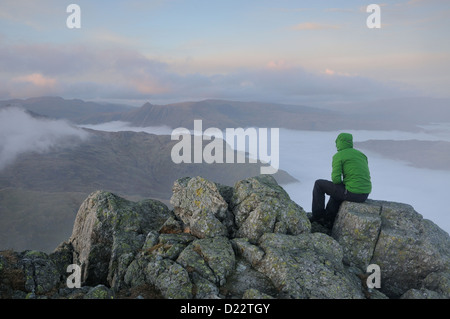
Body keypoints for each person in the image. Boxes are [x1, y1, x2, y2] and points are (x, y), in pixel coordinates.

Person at [310, 132, 372, 226]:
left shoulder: (339, 156)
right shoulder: (361, 155)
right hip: (364, 194)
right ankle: (329, 219)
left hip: (352, 193)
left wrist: (341, 184)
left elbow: (336, 179)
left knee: (319, 184)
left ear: (339, 142)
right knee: (338, 190)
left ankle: (318, 216)